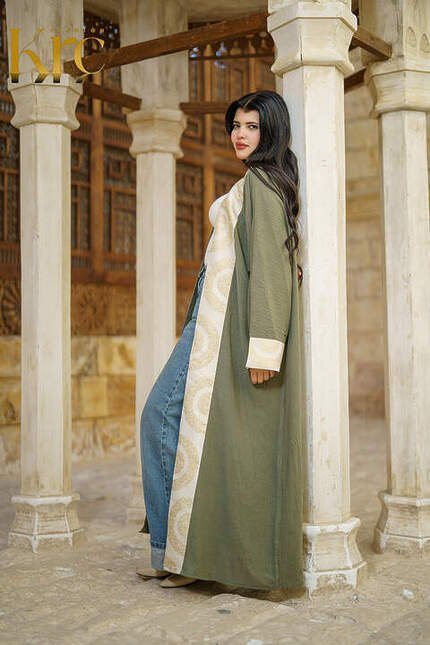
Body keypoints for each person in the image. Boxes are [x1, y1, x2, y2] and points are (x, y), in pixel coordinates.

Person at [137, 90, 304, 590]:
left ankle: (176, 554)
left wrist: (265, 346)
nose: (239, 134)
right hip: (209, 323)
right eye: (236, 125)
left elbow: (272, 267)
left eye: (252, 126)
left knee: (161, 416)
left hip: (225, 331)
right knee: (174, 425)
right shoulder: (252, 183)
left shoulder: (262, 184)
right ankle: (174, 552)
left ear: (271, 132)